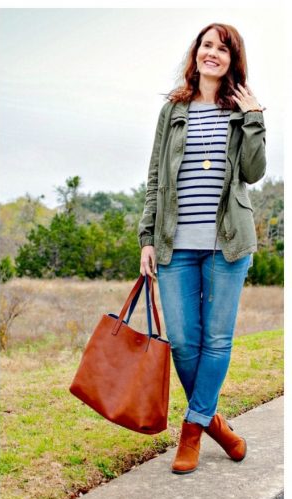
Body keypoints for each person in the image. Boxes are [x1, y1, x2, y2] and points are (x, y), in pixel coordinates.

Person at [138, 23, 266, 474]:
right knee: (184, 344)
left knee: (216, 339)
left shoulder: (242, 110)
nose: (213, 53)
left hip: (228, 246)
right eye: (207, 45)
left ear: (233, 60)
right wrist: (147, 238)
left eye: (223, 49)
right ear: (196, 53)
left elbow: (252, 172)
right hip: (175, 245)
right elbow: (155, 179)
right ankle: (214, 423)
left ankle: (191, 432)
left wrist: (254, 121)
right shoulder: (173, 110)